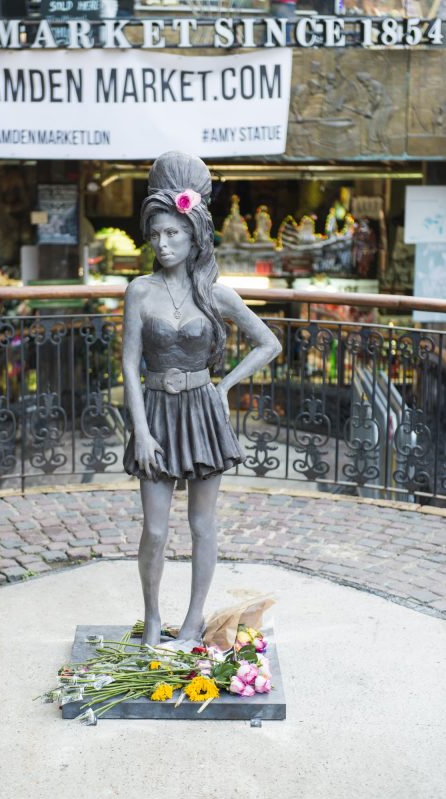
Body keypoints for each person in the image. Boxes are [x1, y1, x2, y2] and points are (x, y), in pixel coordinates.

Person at [122, 152, 282, 646]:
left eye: (174, 234)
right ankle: (152, 617)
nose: (163, 243)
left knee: (202, 525)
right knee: (154, 531)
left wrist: (225, 386)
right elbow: (129, 364)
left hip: (202, 411)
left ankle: (193, 620)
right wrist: (141, 431)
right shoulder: (139, 291)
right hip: (156, 413)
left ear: (195, 237)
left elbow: (269, 343)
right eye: (157, 234)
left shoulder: (216, 294)